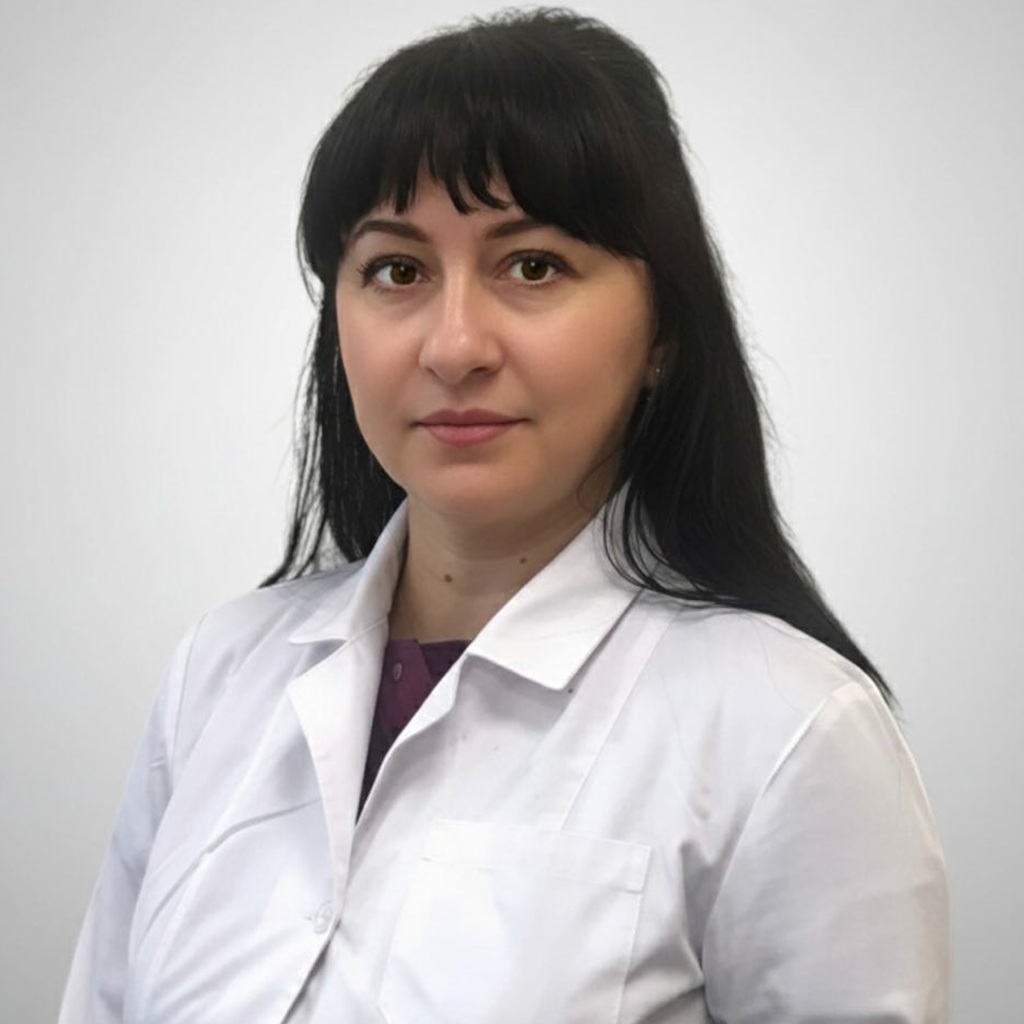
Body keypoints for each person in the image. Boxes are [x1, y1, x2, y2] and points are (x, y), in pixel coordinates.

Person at [59, 8, 950, 1023]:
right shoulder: (217, 677)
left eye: (533, 265)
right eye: (397, 270)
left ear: (662, 333)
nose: (454, 347)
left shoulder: (789, 730)